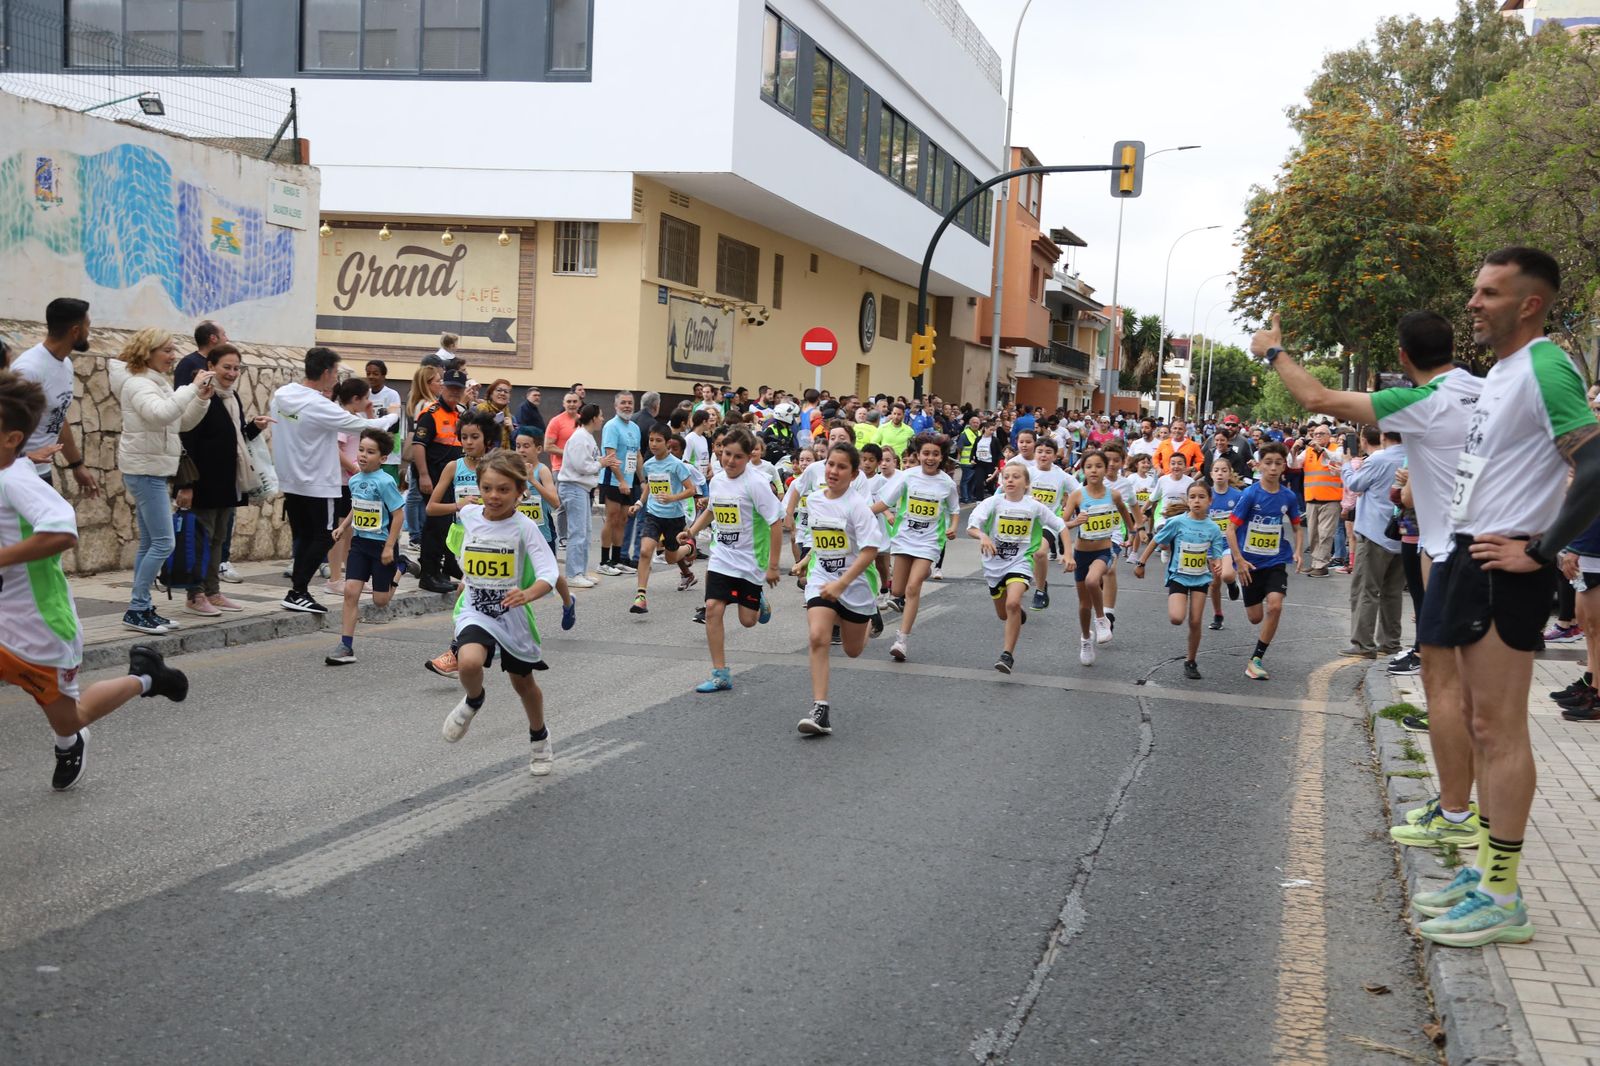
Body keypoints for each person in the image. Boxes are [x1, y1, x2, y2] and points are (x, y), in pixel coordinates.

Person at [1405, 248, 1600, 947]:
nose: (1473, 304)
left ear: (1530, 303)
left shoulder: (1545, 364)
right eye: (1475, 291)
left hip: (1504, 569)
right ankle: (1486, 872)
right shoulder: (1501, 374)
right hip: (1468, 556)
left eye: (1489, 293)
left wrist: (1540, 550)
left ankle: (1504, 897)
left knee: (1500, 730)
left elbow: (1596, 458)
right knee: (1481, 729)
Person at [1260, 308, 1482, 853]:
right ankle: (1469, 815)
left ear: (1404, 361)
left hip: (1457, 555)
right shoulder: (1487, 390)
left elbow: (1316, 398)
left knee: (1449, 691)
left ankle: (1456, 814)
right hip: (1488, 547)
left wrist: (1272, 350)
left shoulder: (1425, 400)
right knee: (1481, 700)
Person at [0, 370, 189, 791]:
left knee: (71, 718)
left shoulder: (16, 482)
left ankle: (146, 677)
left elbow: (62, 532)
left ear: (11, 438)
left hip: (37, 628)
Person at [438, 452, 562, 777]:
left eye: (504, 489)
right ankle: (473, 700)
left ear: (520, 491)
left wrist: (528, 593)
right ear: (478, 487)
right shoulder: (468, 515)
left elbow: (549, 572)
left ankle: (539, 736)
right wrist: (467, 577)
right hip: (476, 610)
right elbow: (465, 548)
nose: (494, 496)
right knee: (468, 662)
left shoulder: (525, 528)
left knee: (523, 683)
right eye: (488, 488)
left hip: (512, 615)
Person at [270, 347, 399, 614]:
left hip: (291, 481)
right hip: (318, 483)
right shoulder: (319, 405)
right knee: (326, 536)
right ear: (327, 372)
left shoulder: (282, 395)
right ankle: (297, 591)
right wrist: (394, 415)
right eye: (335, 372)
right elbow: (366, 428)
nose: (335, 378)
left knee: (305, 537)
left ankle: (298, 591)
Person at [110, 329, 214, 634]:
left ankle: (141, 606)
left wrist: (200, 399)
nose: (172, 356)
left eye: (172, 350)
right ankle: (137, 609)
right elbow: (160, 414)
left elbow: (178, 421)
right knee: (164, 542)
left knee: (150, 542)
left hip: (151, 468)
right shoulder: (138, 384)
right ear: (148, 351)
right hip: (145, 471)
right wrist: (191, 387)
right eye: (166, 350)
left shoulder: (154, 382)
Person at [679, 426, 784, 693]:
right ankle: (720, 673)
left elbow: (775, 522)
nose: (730, 461)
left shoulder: (757, 483)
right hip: (722, 557)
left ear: (749, 457)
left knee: (748, 621)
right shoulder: (717, 481)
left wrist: (772, 566)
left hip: (750, 560)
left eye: (737, 457)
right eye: (726, 454)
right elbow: (713, 512)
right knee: (713, 608)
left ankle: (758, 600)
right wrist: (691, 531)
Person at [178, 343, 272, 616]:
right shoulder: (202, 396)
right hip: (203, 479)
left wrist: (254, 427)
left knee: (219, 538)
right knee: (201, 537)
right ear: (211, 367)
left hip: (228, 479)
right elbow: (189, 439)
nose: (231, 373)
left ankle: (213, 591)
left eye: (236, 368)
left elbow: (235, 437)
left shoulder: (232, 397)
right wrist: (185, 484)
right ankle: (195, 595)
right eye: (226, 367)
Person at [800, 442, 885, 735]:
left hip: (857, 584)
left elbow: (870, 550)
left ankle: (869, 616)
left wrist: (843, 583)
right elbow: (821, 538)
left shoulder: (857, 506)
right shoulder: (813, 500)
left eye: (841, 467)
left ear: (853, 473)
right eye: (830, 464)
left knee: (852, 651)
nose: (833, 471)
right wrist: (806, 560)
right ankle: (820, 708)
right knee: (817, 637)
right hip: (822, 577)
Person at [968, 460, 1064, 674]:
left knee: (1013, 603)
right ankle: (1015, 613)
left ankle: (1007, 655)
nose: (1010, 480)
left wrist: (1068, 553)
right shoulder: (993, 503)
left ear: (1027, 483)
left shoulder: (1034, 506)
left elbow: (1060, 525)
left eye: (1016, 476)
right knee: (1004, 614)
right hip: (994, 565)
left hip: (1021, 562)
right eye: (1006, 476)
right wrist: (983, 535)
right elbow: (972, 527)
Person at [1135, 480, 1236, 680]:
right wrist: (1141, 562)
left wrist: (1216, 564)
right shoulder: (1178, 522)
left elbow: (1215, 556)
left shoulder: (1214, 528)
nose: (1196, 501)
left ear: (1210, 501)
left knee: (1196, 621)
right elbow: (1157, 539)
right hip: (1178, 577)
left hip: (1200, 578)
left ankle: (1191, 661)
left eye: (1201, 497)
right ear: (1187, 500)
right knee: (1176, 618)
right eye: (1192, 497)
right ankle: (1189, 656)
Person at [875, 432, 960, 662]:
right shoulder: (907, 477)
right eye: (926, 453)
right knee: (899, 591)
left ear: (942, 457)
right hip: (904, 538)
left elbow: (954, 510)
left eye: (935, 454)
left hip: (929, 542)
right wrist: (856, 515)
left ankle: (901, 641)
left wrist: (952, 527)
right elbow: (884, 503)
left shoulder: (947, 483)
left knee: (914, 588)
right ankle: (898, 599)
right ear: (918, 455)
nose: (930, 458)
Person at [325, 428, 407, 665]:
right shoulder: (354, 480)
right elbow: (358, 505)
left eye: (370, 452)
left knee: (380, 601)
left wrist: (390, 547)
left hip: (382, 545)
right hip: (360, 544)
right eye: (361, 449)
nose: (362, 455)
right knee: (351, 592)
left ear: (382, 458)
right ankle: (346, 646)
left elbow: (398, 515)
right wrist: (344, 527)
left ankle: (401, 567)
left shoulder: (385, 481)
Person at [1225, 442, 1304, 680]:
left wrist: (1298, 551)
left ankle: (1256, 658)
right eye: (1268, 463)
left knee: (1275, 606)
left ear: (1284, 466)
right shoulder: (1251, 494)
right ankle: (1242, 588)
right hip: (1249, 563)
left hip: (1276, 560)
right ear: (1259, 465)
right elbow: (1230, 530)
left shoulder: (1288, 496)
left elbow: (1298, 528)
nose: (1272, 468)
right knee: (1255, 617)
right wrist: (1238, 560)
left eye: (1278, 463)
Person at [14, 298, 99, 498]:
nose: (90, 334)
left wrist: (77, 464)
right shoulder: (28, 370)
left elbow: (57, 417)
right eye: (88, 327)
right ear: (75, 331)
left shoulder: (65, 364)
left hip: (41, 474)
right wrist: (24, 457)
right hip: (16, 476)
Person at [1060, 450, 1134, 665]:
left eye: (1098, 466)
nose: (1094, 470)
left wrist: (1131, 533)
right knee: (1084, 605)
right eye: (1089, 466)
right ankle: (1085, 639)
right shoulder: (1077, 495)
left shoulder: (1114, 495)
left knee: (1094, 580)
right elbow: (1061, 523)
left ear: (1106, 469)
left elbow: (1124, 511)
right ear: (1083, 470)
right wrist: (1075, 522)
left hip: (1105, 549)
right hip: (1082, 551)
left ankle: (1101, 620)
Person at [1340, 428, 1407, 659]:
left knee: (1365, 590)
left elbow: (1356, 484)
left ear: (1383, 436)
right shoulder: (1413, 457)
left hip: (1375, 533)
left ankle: (1363, 643)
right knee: (1393, 592)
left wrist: (1347, 465)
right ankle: (1390, 642)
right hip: (1402, 534)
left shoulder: (1379, 458)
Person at [628, 424, 699, 614]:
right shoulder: (649, 464)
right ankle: (641, 596)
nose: (653, 444)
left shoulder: (677, 465)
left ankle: (689, 547)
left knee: (670, 558)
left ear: (667, 444)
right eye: (651, 440)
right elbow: (650, 487)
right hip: (653, 514)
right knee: (645, 551)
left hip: (674, 518)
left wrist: (672, 498)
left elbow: (691, 490)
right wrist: (640, 503)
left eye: (658, 440)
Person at [410, 366, 468, 594]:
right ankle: (428, 575)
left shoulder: (461, 413)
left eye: (458, 389)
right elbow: (418, 446)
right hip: (433, 478)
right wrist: (423, 476)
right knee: (435, 526)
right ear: (443, 387)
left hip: (451, 478)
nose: (454, 392)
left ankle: (441, 570)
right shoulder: (432, 413)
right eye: (450, 388)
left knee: (446, 526)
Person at [513, 428, 576, 630]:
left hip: (543, 534)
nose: (521, 450)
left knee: (553, 575)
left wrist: (532, 481)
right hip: (517, 535)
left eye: (526, 446)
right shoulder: (511, 470)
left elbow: (556, 502)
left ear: (538, 448)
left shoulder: (542, 470)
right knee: (516, 578)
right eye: (518, 446)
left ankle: (568, 602)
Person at [1023, 437, 1080, 612]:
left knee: (1040, 553)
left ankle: (1040, 591)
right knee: (1025, 557)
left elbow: (1079, 493)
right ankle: (1033, 580)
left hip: (1049, 522)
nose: (1043, 455)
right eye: (1040, 451)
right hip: (1025, 521)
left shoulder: (1062, 476)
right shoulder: (1027, 472)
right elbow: (1009, 491)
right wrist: (1029, 498)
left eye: (1048, 452)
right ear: (1035, 454)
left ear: (1055, 456)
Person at [557, 403, 604, 589]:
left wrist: (600, 463)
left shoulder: (587, 437)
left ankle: (581, 571)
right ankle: (573, 573)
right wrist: (602, 464)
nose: (602, 419)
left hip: (581, 488)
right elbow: (582, 466)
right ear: (593, 418)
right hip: (573, 487)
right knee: (577, 532)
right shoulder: (580, 438)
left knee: (585, 532)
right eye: (600, 415)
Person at [597, 392, 642, 575]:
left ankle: (617, 560)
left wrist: (643, 480)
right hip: (613, 480)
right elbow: (610, 456)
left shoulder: (635, 427)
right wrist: (621, 480)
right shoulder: (611, 426)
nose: (627, 406)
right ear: (616, 406)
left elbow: (637, 455)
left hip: (629, 481)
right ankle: (604, 561)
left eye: (630, 403)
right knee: (612, 518)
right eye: (623, 403)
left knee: (623, 520)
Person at [1292, 424, 1344, 575]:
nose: (1317, 436)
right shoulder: (1308, 451)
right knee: (1313, 534)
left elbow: (1337, 458)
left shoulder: (1336, 448)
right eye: (1315, 434)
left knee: (1325, 533)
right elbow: (1293, 464)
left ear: (1329, 436)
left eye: (1321, 433)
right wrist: (1294, 449)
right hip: (1312, 498)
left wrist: (1321, 449)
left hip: (1331, 498)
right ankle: (1316, 563)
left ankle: (1321, 566)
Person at [403, 365, 443, 548]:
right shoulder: (426, 405)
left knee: (417, 495)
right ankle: (415, 535)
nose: (441, 384)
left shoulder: (422, 402)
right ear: (427, 384)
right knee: (414, 495)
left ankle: (417, 532)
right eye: (437, 381)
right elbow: (423, 438)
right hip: (424, 458)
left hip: (424, 458)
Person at [1204, 456, 1244, 630]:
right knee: (1214, 583)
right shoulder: (1205, 495)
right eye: (1217, 470)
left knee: (1226, 575)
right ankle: (1218, 614)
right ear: (1211, 474)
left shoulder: (1238, 496)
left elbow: (1244, 520)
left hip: (1229, 544)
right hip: (1211, 546)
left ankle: (1232, 584)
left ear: (1229, 474)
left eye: (1224, 470)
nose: (1220, 473)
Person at [543, 391, 582, 546]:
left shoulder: (582, 421)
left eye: (574, 401)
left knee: (577, 503)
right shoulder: (556, 421)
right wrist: (568, 453)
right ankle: (563, 537)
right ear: (563, 403)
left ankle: (575, 534)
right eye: (569, 401)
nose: (572, 404)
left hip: (579, 469)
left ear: (579, 403)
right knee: (563, 504)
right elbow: (547, 446)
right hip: (560, 468)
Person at [364, 360, 404, 487]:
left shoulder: (392, 394)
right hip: (370, 449)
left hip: (388, 452)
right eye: (368, 373)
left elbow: (394, 422)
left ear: (383, 376)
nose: (371, 376)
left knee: (387, 487)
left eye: (375, 373)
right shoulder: (365, 395)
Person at [172, 319, 226, 388]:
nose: (227, 339)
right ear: (213, 338)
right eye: (224, 335)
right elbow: (180, 394)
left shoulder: (219, 361)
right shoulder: (188, 363)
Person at [476, 378, 516, 451]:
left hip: (504, 459)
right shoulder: (478, 411)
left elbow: (517, 445)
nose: (502, 393)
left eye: (506, 392)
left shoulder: (511, 418)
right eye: (499, 390)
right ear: (491, 394)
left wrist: (512, 429)